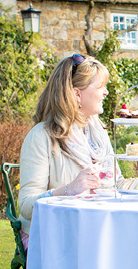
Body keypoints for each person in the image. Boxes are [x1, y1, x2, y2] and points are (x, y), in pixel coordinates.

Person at [18, 53, 113, 249]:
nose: (106, 93)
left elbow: (117, 184)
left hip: (94, 227)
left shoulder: (99, 134)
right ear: (77, 94)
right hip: (51, 233)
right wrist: (69, 190)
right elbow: (27, 206)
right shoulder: (41, 136)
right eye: (100, 87)